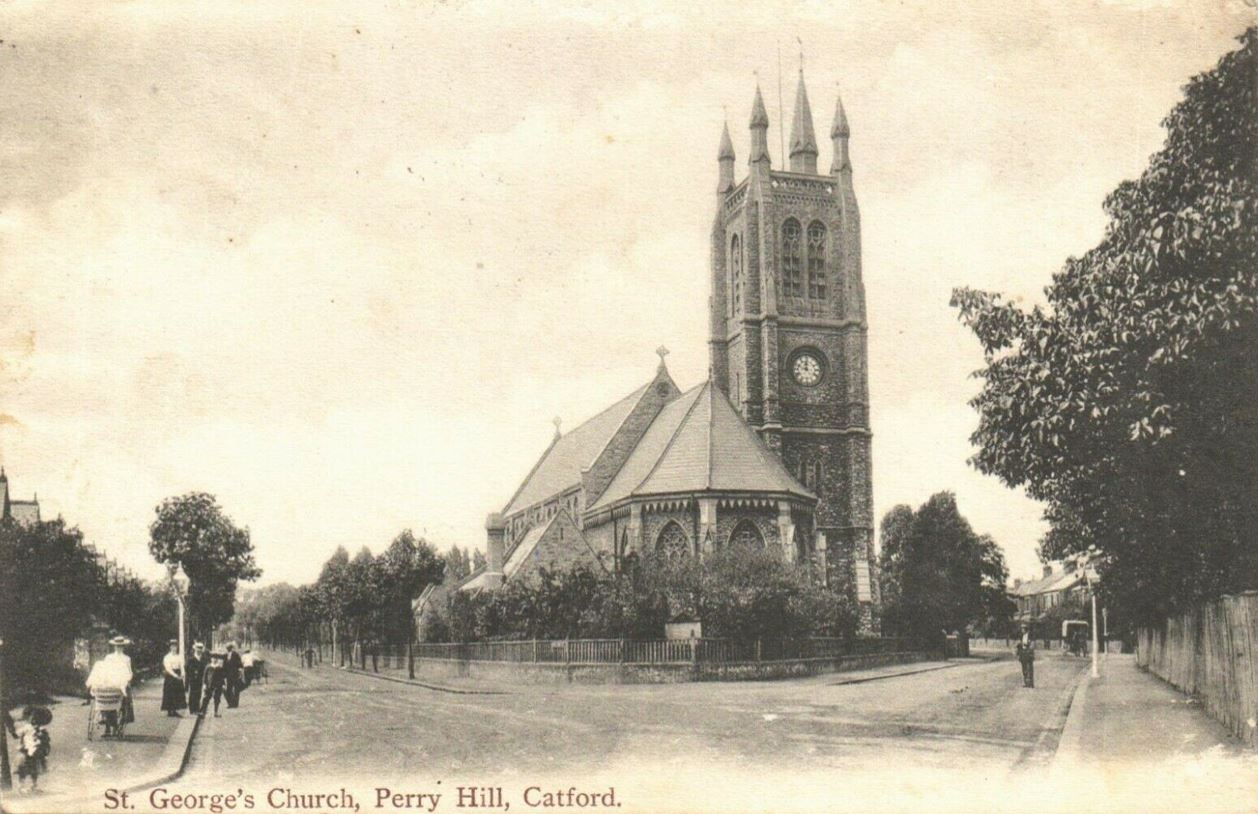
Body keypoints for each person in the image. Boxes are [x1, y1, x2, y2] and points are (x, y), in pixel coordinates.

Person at [86, 635, 135, 733]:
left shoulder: (126, 658)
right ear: (114, 647)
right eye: (117, 646)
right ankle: (108, 726)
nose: (119, 648)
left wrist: (127, 681)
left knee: (123, 698)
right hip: (111, 683)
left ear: (123, 647)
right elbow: (105, 670)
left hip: (120, 682)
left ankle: (117, 723)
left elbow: (129, 672)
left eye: (120, 646)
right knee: (109, 694)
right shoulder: (109, 657)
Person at [14, 706, 51, 793]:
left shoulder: (42, 729)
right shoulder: (26, 727)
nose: (34, 720)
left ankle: (33, 785)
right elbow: (17, 734)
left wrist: (42, 740)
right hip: (25, 751)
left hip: (35, 752)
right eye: (31, 718)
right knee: (22, 769)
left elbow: (45, 740)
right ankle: (21, 786)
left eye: (36, 719)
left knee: (34, 770)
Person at [160, 640, 186, 717]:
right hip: (170, 676)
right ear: (170, 647)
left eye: (175, 646)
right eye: (172, 646)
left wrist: (183, 674)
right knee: (169, 692)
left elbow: (181, 666)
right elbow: (168, 668)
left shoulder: (179, 656)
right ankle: (169, 710)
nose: (174, 648)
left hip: (178, 673)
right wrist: (175, 676)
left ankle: (175, 709)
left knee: (177, 693)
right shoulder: (167, 657)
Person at [199, 652, 226, 718]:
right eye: (213, 658)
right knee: (206, 698)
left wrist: (223, 684)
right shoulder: (208, 667)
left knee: (217, 698)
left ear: (217, 660)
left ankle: (215, 712)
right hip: (209, 685)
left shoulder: (219, 667)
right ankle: (202, 712)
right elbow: (204, 676)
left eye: (215, 659)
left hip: (218, 685)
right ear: (211, 659)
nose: (214, 660)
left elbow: (222, 677)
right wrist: (204, 684)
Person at [185, 642, 208, 713]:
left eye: (200, 649)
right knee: (193, 693)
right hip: (193, 678)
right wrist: (192, 673)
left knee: (198, 693)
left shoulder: (203, 659)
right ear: (195, 649)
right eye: (198, 649)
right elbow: (187, 668)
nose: (199, 651)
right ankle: (192, 709)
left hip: (200, 678)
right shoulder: (191, 659)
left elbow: (205, 668)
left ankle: (197, 708)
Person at [223, 643, 244, 709]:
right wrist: (224, 675)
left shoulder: (235, 654)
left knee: (236, 689)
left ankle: (235, 703)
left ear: (231, 648)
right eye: (227, 648)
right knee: (229, 689)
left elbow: (240, 664)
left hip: (235, 674)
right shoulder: (225, 655)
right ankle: (230, 703)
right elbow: (224, 666)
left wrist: (240, 672)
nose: (228, 649)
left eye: (229, 647)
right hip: (228, 675)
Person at [1015, 624, 1036, 688]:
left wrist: (1027, 646)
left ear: (1026, 629)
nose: (1022, 630)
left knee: (1029, 668)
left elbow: (1032, 645)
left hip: (1028, 653)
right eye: (1021, 628)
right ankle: (1026, 682)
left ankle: (1031, 683)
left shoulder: (1031, 636)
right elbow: (1018, 646)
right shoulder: (1021, 636)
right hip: (1023, 653)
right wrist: (1018, 652)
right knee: (1024, 668)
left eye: (1023, 629)